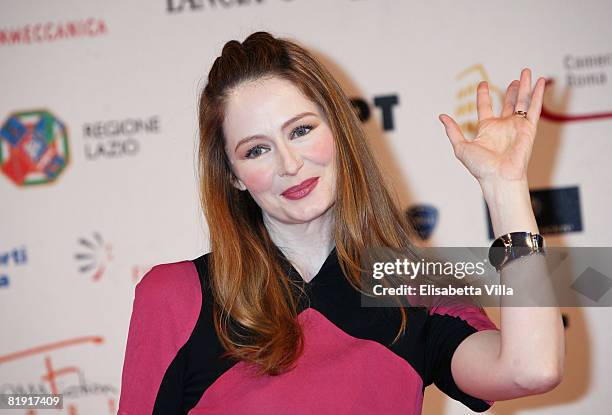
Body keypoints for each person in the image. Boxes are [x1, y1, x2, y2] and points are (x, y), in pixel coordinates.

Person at [117, 31, 565, 414]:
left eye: (301, 130)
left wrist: (505, 187)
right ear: (233, 175)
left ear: (338, 129)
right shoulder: (175, 296)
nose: (289, 164)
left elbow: (531, 369)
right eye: (256, 150)